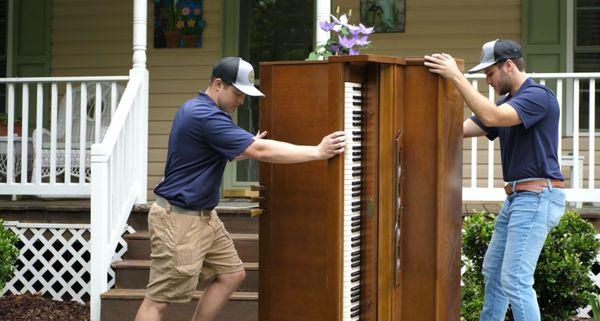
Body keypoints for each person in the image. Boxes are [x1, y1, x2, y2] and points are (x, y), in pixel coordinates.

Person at [134, 57, 346, 321]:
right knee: (158, 301)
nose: (242, 101)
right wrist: (317, 152)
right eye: (238, 93)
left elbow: (227, 152)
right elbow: (259, 151)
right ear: (218, 84)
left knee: (232, 274)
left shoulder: (202, 111)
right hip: (178, 219)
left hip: (204, 217)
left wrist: (244, 145)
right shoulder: (203, 115)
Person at [424, 39, 566, 321]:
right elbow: (457, 130)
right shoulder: (509, 103)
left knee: (515, 279)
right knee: (494, 271)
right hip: (517, 199)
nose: (487, 80)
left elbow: (492, 115)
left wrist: (457, 77)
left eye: (490, 73)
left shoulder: (538, 97)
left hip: (537, 197)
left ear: (509, 66)